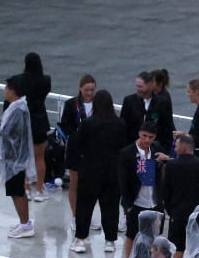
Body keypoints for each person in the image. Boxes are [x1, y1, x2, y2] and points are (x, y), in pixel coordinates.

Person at [69, 90, 125, 248]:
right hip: (113, 172)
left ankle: (80, 239)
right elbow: (123, 146)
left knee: (85, 206)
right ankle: (110, 241)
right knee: (111, 207)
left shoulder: (88, 123)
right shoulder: (120, 124)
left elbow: (78, 145)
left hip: (90, 171)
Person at [0, 77, 37, 239]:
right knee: (17, 191)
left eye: (6, 88)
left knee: (17, 192)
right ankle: (24, 222)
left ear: (13, 90)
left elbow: (5, 131)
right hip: (15, 158)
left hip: (15, 159)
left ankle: (25, 224)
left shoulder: (17, 109)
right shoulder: (18, 107)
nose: (4, 91)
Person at [118, 121, 168, 258]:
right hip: (136, 202)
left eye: (150, 137)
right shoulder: (127, 153)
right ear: (139, 133)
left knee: (156, 236)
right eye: (144, 136)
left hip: (155, 201)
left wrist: (166, 161)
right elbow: (123, 180)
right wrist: (128, 206)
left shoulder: (157, 149)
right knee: (131, 235)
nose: (147, 140)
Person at [157, 133, 199, 258]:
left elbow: (166, 192)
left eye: (176, 145)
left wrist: (171, 209)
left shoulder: (171, 166)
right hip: (198, 214)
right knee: (197, 248)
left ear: (183, 147)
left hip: (178, 213)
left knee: (176, 249)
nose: (175, 149)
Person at [58, 73, 97, 219]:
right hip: (75, 149)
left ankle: (87, 215)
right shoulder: (71, 104)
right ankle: (75, 216)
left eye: (92, 90)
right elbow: (63, 125)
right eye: (87, 90)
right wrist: (74, 136)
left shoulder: (99, 104)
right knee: (75, 183)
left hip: (93, 150)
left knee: (89, 185)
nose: (89, 93)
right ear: (80, 88)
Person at [15, 53, 52, 200]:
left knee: (24, 157)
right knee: (39, 157)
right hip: (40, 121)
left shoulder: (19, 81)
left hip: (24, 120)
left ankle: (26, 188)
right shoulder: (45, 80)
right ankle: (39, 190)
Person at [120, 70, 174, 150]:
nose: (138, 89)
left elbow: (167, 129)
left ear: (150, 85)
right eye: (137, 86)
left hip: (154, 149)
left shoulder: (162, 103)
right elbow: (123, 127)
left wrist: (164, 150)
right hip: (132, 148)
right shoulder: (129, 101)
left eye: (140, 87)